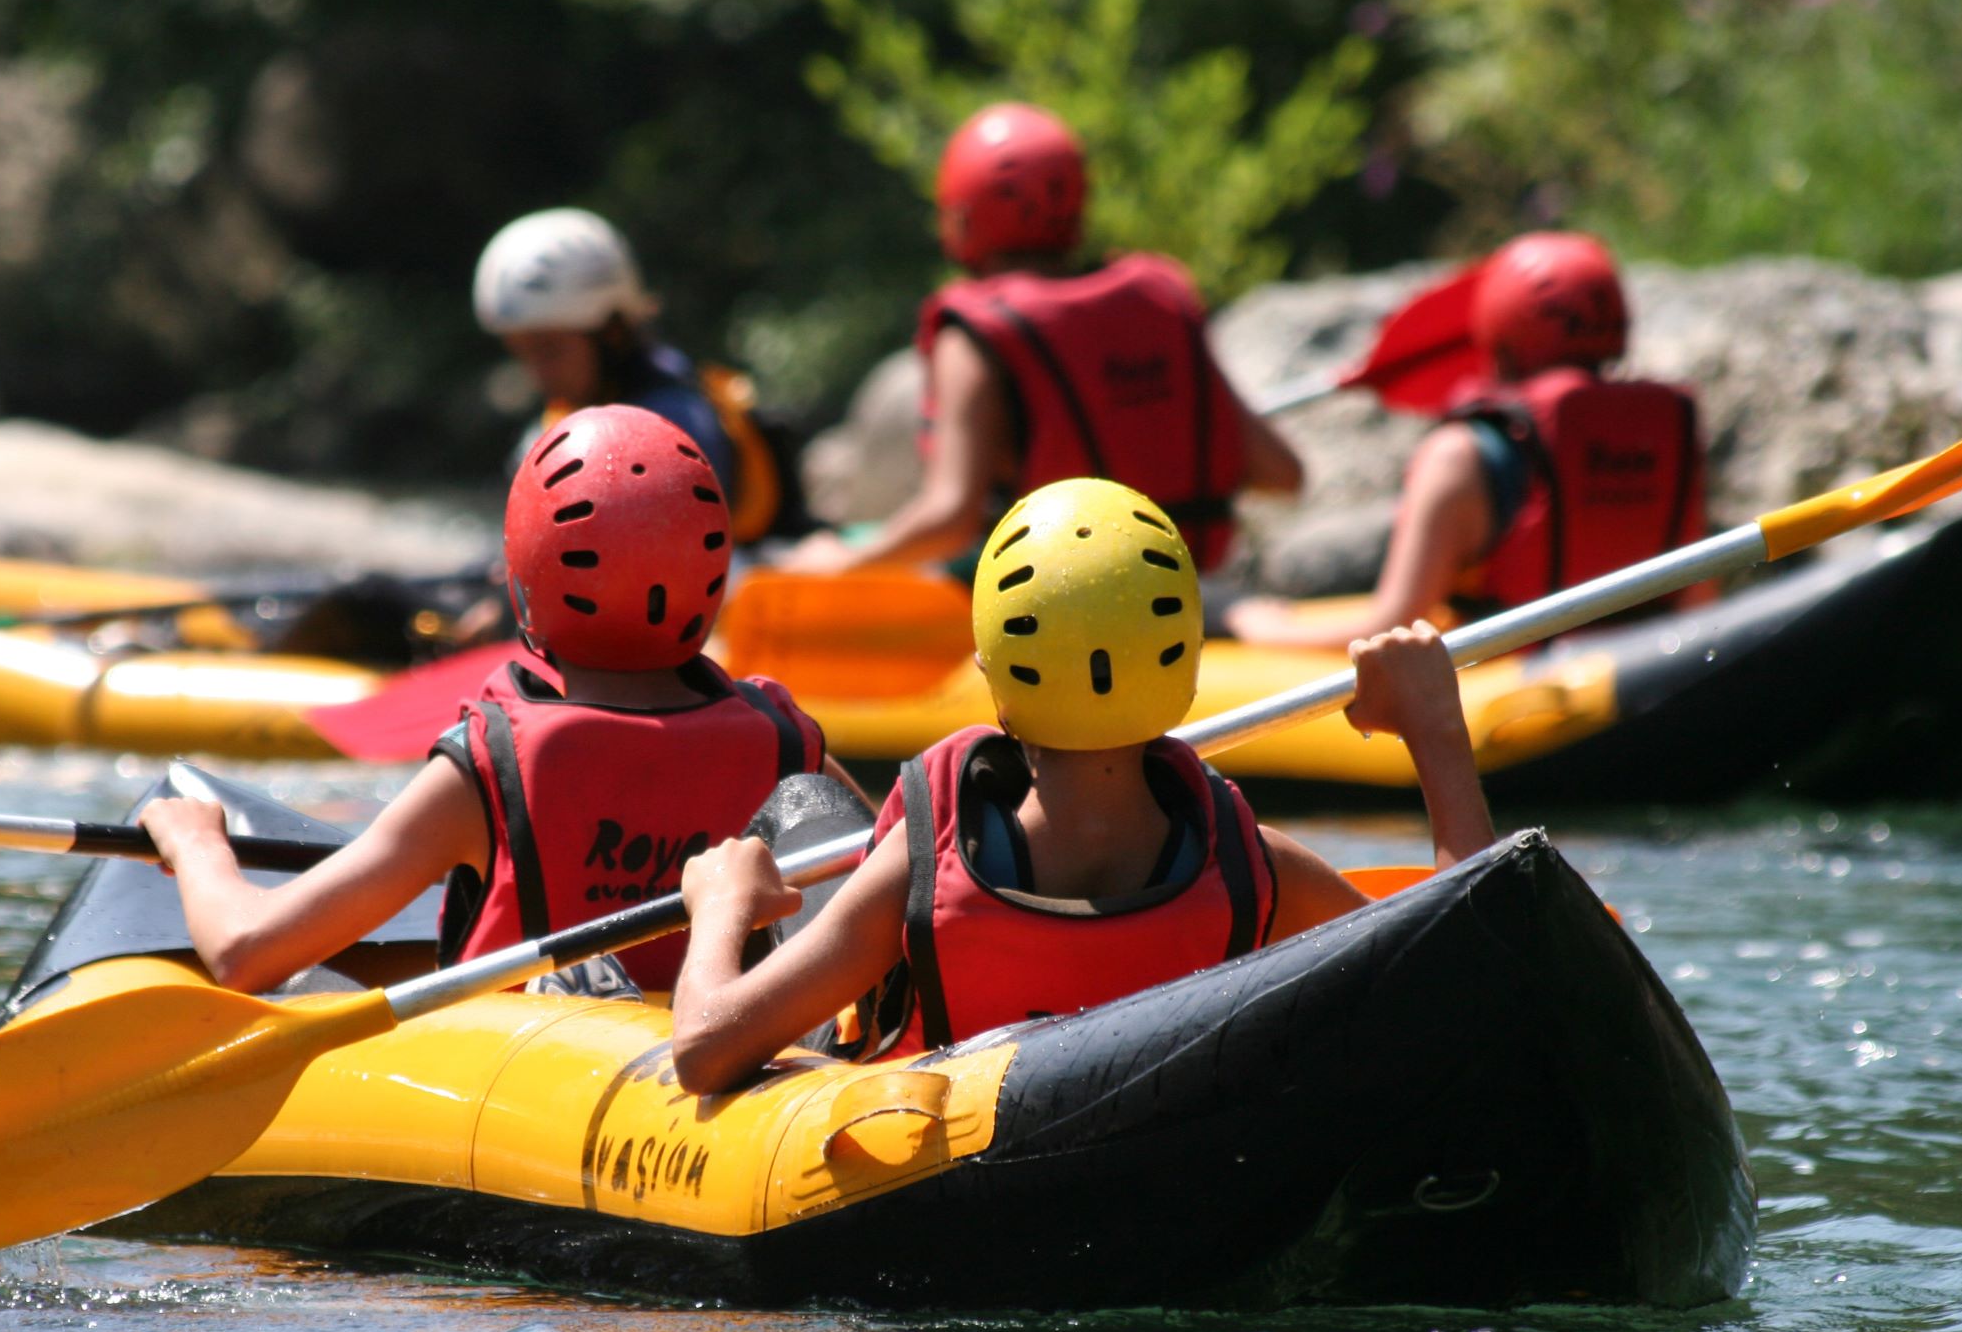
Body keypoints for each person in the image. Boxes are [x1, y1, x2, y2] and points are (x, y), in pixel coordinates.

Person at [671, 477, 1494, 1094]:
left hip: (932, 1175)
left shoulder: (922, 871)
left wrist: (720, 907)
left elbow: (706, 1051)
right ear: (1183, 671)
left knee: (806, 808)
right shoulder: (1255, 871)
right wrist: (1436, 735)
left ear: (996, 686)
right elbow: (1464, 993)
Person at [143, 404, 860, 997]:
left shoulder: (491, 766)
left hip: (530, 1084)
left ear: (526, 579)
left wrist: (196, 840)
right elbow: (897, 871)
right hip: (736, 1074)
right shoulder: (789, 749)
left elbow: (244, 952)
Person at [780, 103, 1302, 578]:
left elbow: (950, 517)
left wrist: (846, 561)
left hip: (1061, 601)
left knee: (857, 548)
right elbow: (1282, 473)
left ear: (962, 217)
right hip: (1188, 585)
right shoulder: (1158, 298)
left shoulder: (976, 334)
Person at [1226, 231, 1706, 648]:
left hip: (1521, 690)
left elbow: (1393, 626)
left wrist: (1261, 628)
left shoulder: (1460, 456)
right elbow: (1698, 597)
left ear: (1496, 329)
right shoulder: (1668, 430)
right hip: (1649, 663)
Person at [475, 207, 789, 545]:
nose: (538, 374)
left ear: (611, 333)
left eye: (550, 350)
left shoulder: (674, 422)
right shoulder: (558, 420)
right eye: (523, 354)